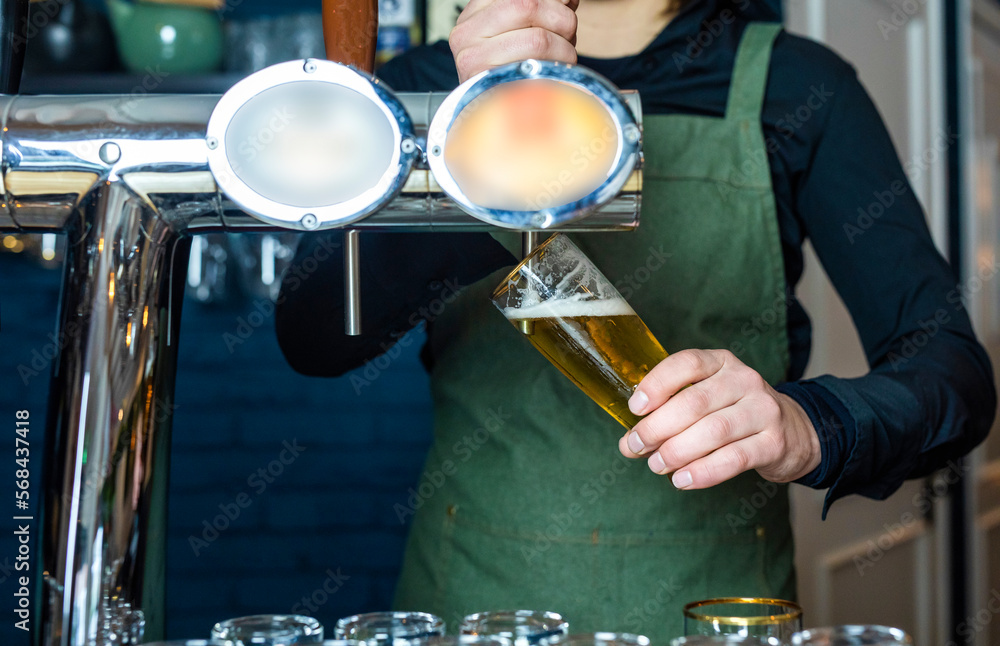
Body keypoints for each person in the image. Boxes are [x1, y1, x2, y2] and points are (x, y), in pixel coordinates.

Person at [275, 0, 996, 640]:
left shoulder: (798, 87)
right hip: (476, 606)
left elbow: (953, 375)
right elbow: (313, 339)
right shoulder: (429, 81)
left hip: (720, 613)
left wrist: (810, 426)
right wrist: (470, 142)